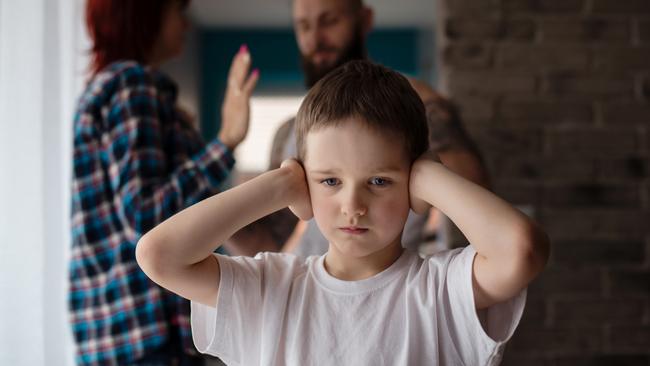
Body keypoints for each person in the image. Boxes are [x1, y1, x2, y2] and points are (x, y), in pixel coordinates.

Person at [136, 61, 550, 365]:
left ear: (411, 180)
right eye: (330, 181)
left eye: (380, 181)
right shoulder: (271, 289)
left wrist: (430, 176)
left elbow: (522, 249)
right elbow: (158, 255)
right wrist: (278, 187)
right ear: (304, 178)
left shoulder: (441, 291)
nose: (353, 206)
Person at [69, 0, 258, 364]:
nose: (187, 24)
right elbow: (146, 216)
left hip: (115, 333)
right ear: (145, 15)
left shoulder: (106, 88)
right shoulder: (131, 85)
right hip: (148, 332)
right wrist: (226, 141)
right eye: (178, 11)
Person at [224, 0, 489, 258]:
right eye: (304, 26)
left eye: (329, 21)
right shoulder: (289, 133)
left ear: (364, 20)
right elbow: (270, 243)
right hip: (312, 290)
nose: (315, 39)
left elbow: (474, 190)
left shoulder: (414, 106)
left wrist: (416, 114)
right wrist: (223, 147)